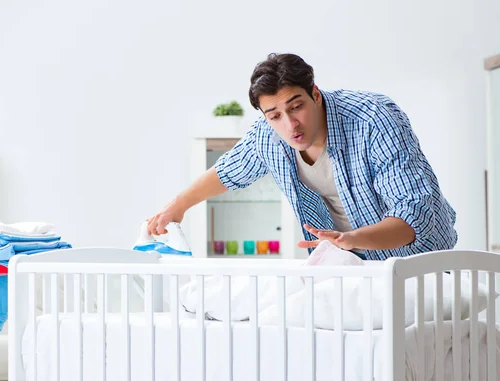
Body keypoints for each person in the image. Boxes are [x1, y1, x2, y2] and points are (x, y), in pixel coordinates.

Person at [147, 53, 457, 260]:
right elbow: (228, 171)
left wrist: (351, 238)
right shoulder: (268, 135)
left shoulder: (374, 118)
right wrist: (177, 207)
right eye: (275, 115)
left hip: (421, 263)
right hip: (351, 268)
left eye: (296, 107)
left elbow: (417, 214)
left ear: (315, 94)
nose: (290, 124)